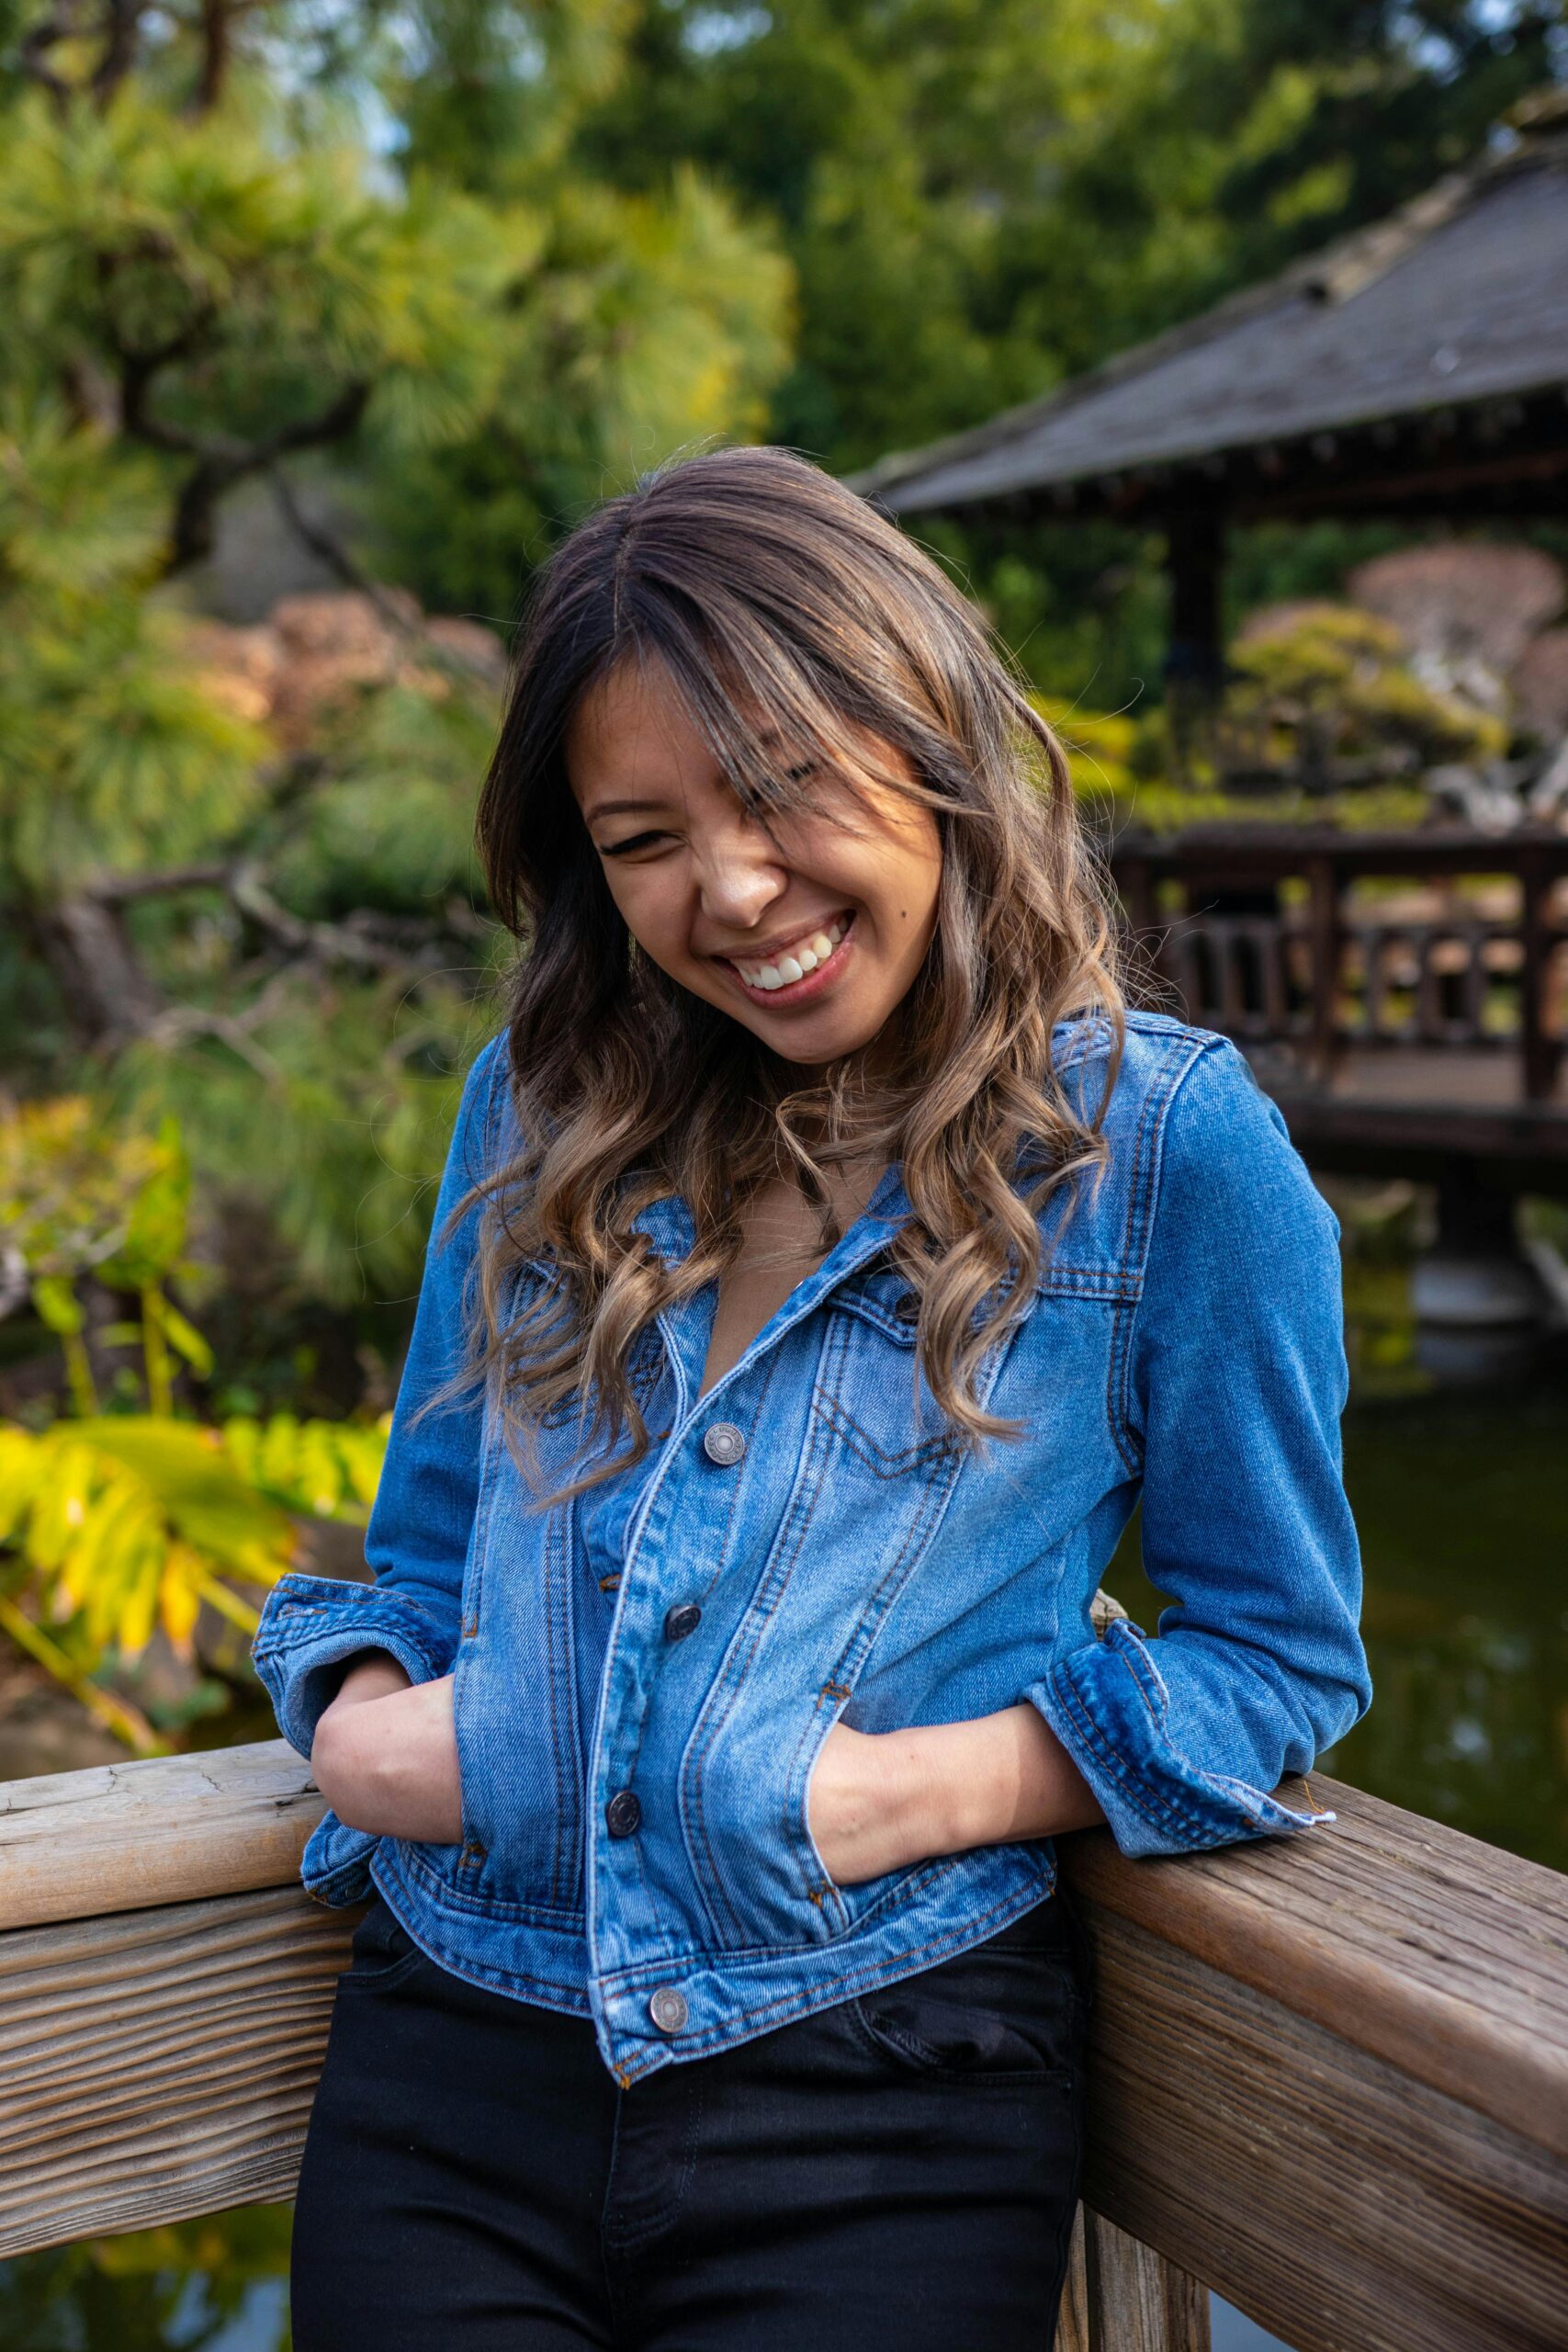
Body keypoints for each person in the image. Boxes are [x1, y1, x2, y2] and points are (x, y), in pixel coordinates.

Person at [252, 443, 1371, 2351]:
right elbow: (423, 1555)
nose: (731, 885)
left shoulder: (1167, 1151)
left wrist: (876, 1795)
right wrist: (359, 1721)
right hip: (453, 2051)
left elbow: (1277, 1657)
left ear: (926, 733)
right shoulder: (531, 1109)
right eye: (642, 836)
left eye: (776, 786)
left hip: (885, 2083)